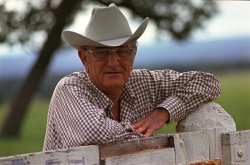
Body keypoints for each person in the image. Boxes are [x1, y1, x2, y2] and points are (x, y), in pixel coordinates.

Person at [43, 3, 221, 151]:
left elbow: (208, 82)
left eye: (123, 51)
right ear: (84, 58)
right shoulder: (70, 88)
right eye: (103, 53)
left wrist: (163, 112)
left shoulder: (144, 82)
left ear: (134, 53)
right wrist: (148, 136)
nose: (113, 62)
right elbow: (95, 134)